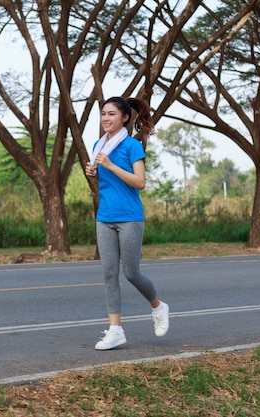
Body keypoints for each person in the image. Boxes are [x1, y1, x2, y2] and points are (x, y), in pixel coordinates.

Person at [84, 96, 169, 350]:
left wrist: (109, 165)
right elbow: (106, 182)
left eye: (111, 114)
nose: (106, 118)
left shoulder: (132, 146)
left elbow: (140, 182)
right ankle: (115, 330)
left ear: (124, 118)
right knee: (109, 274)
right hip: (105, 217)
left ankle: (159, 306)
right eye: (103, 114)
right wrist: (94, 172)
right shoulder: (98, 146)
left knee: (131, 272)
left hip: (130, 217)